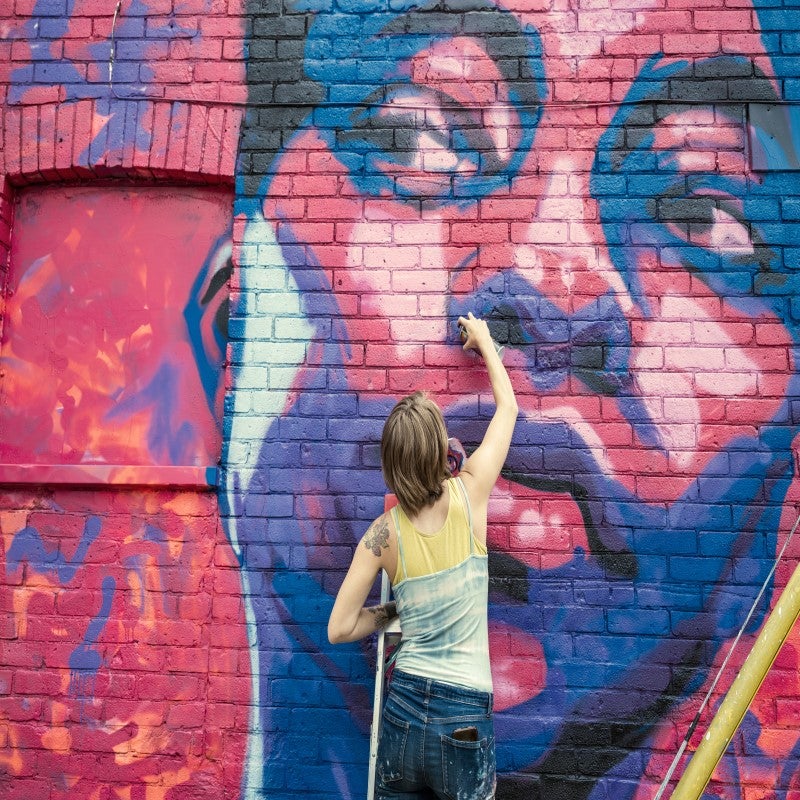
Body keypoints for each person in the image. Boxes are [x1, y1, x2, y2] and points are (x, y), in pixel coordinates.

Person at [231, 0, 800, 796]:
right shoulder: (465, 518)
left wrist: (404, 623)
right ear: (234, 301)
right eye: (417, 138)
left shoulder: (390, 540)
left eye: (701, 208)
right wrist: (496, 370)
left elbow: (343, 623)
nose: (554, 288)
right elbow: (503, 425)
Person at [327, 312, 518, 799]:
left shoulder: (381, 535)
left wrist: (398, 609)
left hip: (404, 709)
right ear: (439, 450)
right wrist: (486, 342)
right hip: (464, 718)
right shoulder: (470, 494)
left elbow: (340, 627)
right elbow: (508, 409)